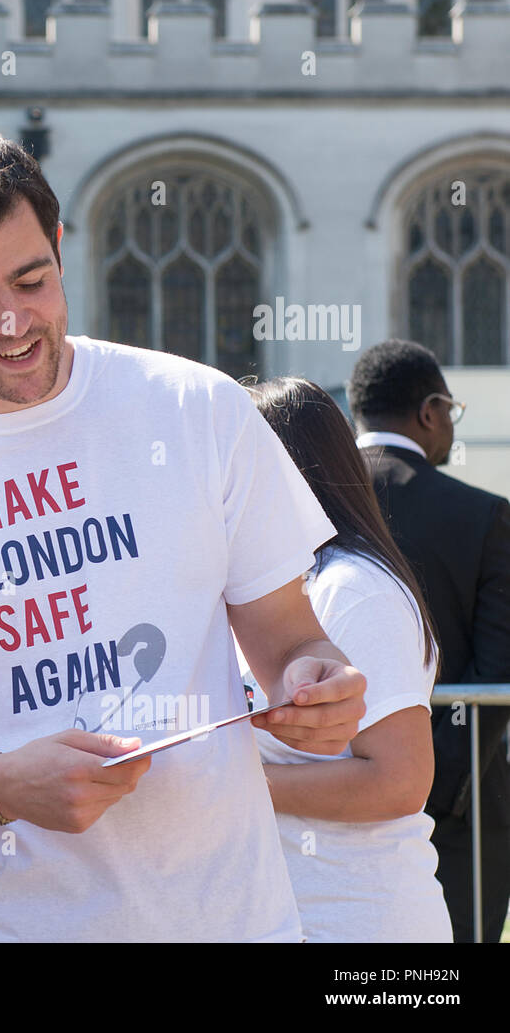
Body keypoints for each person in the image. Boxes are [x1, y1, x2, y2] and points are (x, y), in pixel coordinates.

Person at [0, 126, 367, 942]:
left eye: (32, 280)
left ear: (59, 246)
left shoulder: (198, 409)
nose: (14, 323)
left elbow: (292, 643)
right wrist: (0, 789)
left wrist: (318, 687)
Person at [241, 377, 450, 942]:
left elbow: (399, 780)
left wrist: (234, 786)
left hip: (361, 926)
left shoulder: (351, 587)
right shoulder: (282, 589)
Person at [349, 338, 510, 943]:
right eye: (451, 413)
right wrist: (434, 787)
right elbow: (497, 672)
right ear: (430, 411)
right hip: (461, 806)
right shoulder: (483, 515)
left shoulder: (304, 503)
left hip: (327, 791)